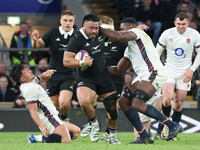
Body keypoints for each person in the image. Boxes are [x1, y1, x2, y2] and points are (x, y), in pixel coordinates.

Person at [100, 17, 182, 143]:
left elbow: (117, 36)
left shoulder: (139, 33)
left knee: (137, 103)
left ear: (130, 29)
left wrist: (97, 28)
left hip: (154, 72)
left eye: (123, 29)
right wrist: (97, 67)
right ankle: (144, 136)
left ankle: (171, 125)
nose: (121, 31)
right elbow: (118, 71)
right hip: (144, 76)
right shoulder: (129, 49)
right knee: (124, 101)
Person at [63, 14, 121, 144]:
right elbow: (66, 61)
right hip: (86, 77)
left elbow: (118, 36)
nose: (94, 31)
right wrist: (83, 63)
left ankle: (112, 135)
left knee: (112, 107)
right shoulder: (76, 39)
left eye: (96, 28)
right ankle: (94, 123)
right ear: (84, 26)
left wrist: (135, 30)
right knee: (84, 101)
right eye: (91, 28)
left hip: (104, 76)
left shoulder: (100, 33)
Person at [10, 64, 81, 143]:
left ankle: (54, 136)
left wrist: (46, 74)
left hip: (52, 116)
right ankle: (36, 138)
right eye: (26, 72)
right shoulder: (30, 89)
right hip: (48, 118)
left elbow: (40, 78)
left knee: (76, 132)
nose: (30, 71)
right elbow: (32, 111)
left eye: (28, 69)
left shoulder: (30, 82)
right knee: (66, 140)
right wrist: (42, 127)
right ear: (22, 79)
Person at [156, 12, 200, 138]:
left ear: (188, 23)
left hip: (185, 73)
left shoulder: (194, 34)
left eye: (184, 24)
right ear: (175, 23)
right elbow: (156, 52)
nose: (181, 27)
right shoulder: (167, 33)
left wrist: (191, 70)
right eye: (179, 24)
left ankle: (173, 131)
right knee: (166, 100)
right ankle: (164, 126)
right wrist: (159, 69)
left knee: (179, 103)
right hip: (168, 70)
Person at [31, 10, 76, 122]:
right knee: (54, 106)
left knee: (64, 104)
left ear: (73, 21)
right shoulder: (52, 32)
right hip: (52, 75)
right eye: (65, 20)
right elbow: (37, 45)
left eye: (70, 21)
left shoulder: (78, 35)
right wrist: (34, 40)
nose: (68, 23)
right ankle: (60, 127)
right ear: (61, 21)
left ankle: (65, 119)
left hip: (68, 74)